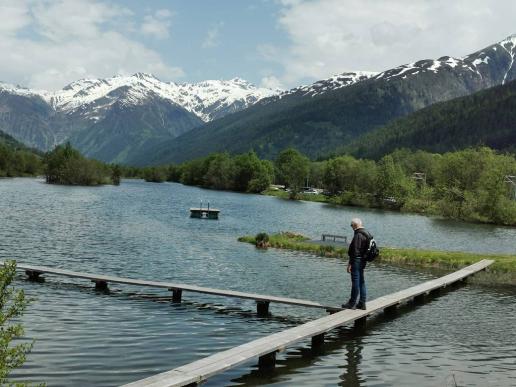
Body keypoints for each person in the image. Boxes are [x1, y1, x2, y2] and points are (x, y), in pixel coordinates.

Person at [342, 218, 371, 310]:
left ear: (355, 225)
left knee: (355, 282)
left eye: (351, 225)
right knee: (361, 282)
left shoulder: (358, 234)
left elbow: (355, 251)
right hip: (362, 260)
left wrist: (350, 264)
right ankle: (362, 303)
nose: (351, 227)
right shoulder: (366, 233)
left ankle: (352, 303)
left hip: (357, 261)